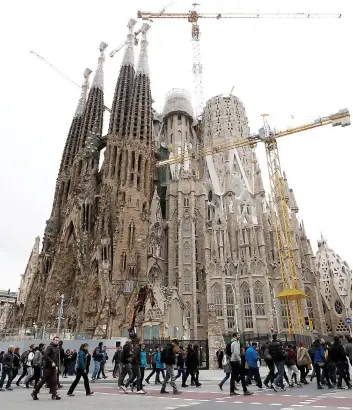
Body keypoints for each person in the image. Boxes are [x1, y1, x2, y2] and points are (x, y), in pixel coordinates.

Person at [31, 335, 61, 400]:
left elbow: (56, 358)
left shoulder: (57, 348)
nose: (56, 341)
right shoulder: (49, 347)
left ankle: (54, 394)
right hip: (47, 367)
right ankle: (34, 393)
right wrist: (51, 362)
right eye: (55, 340)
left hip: (53, 367)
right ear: (53, 340)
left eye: (58, 340)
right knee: (43, 380)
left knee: (54, 381)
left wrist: (57, 366)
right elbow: (45, 356)